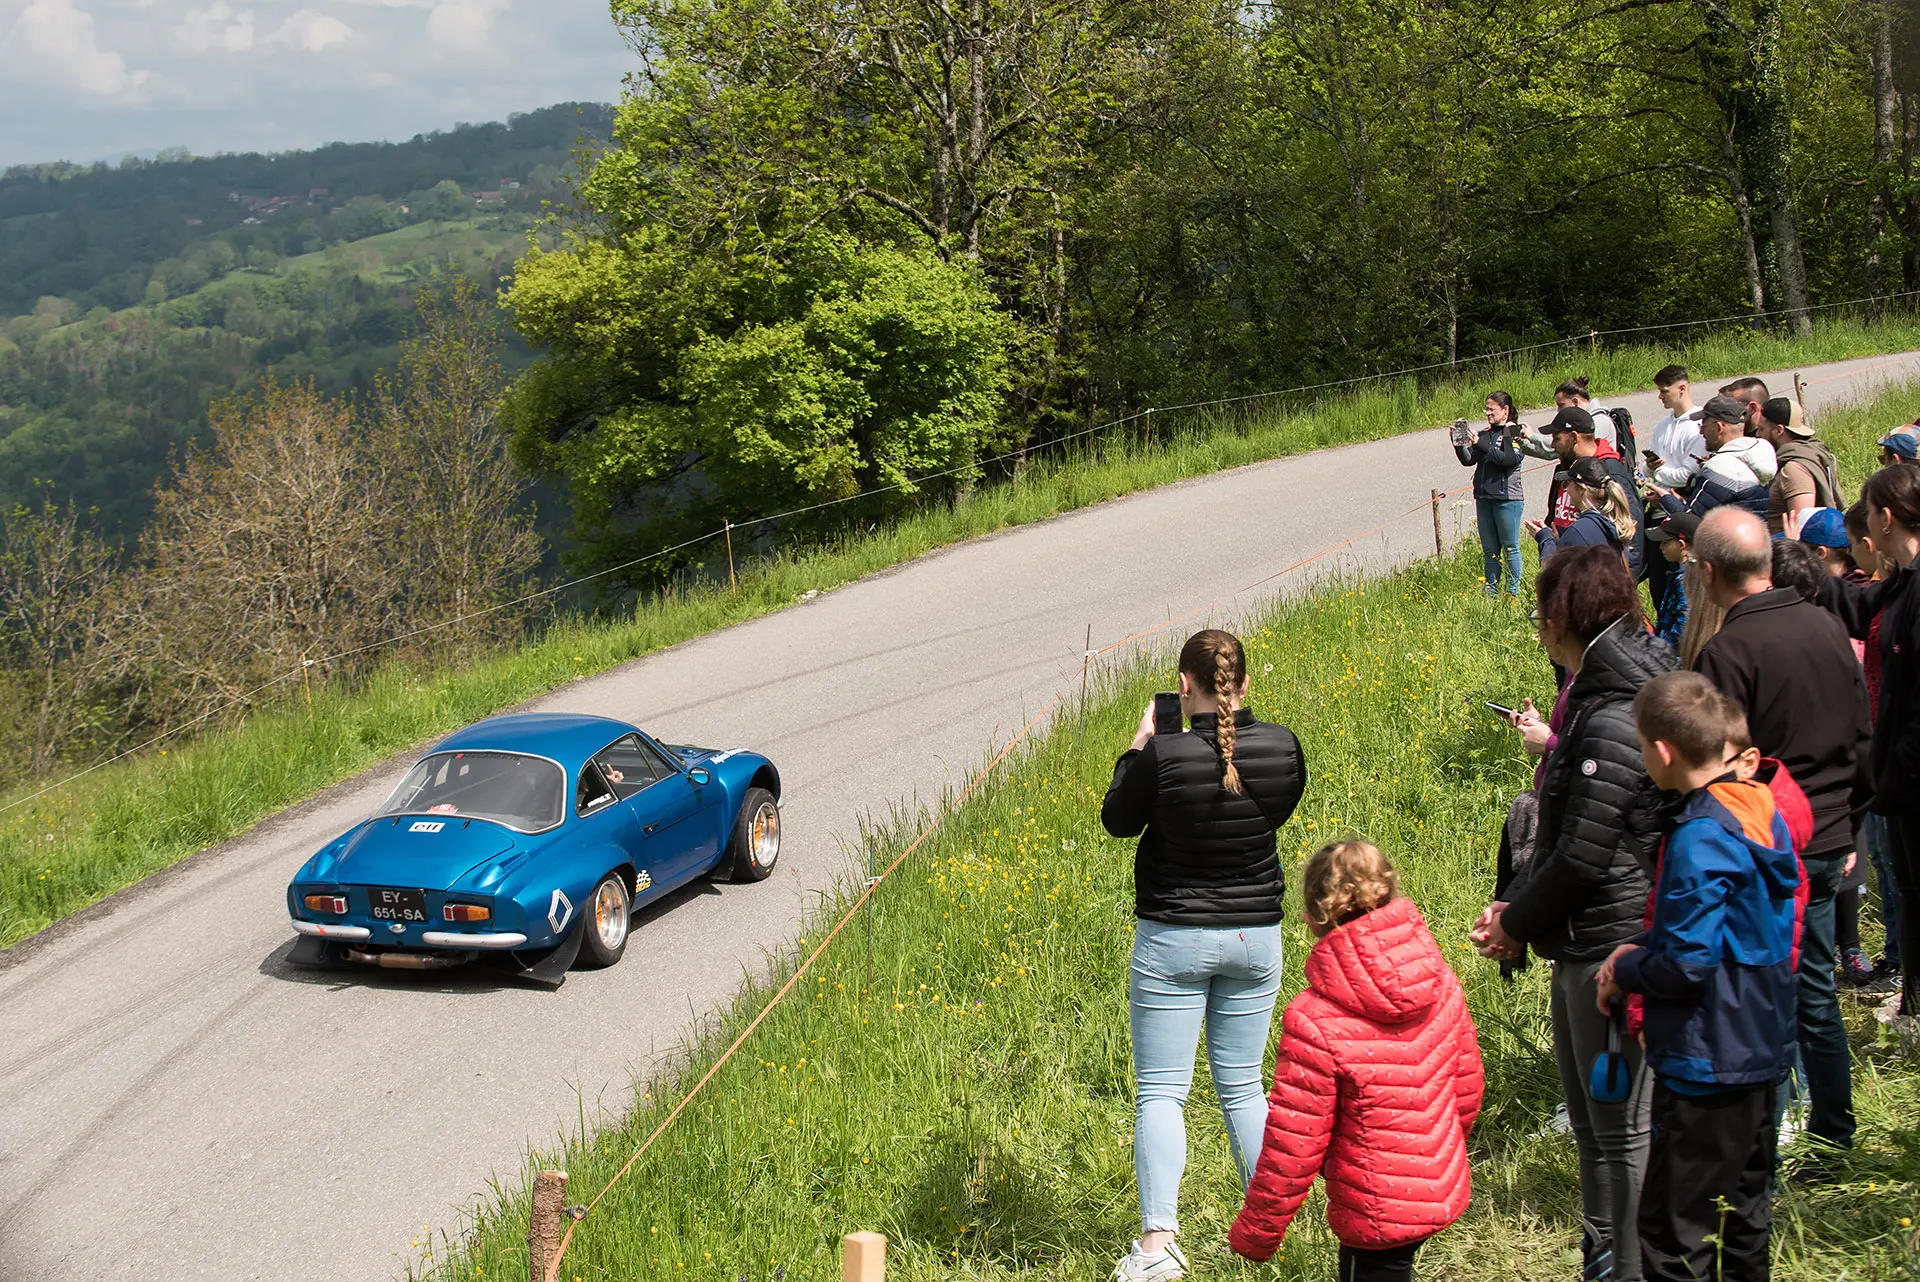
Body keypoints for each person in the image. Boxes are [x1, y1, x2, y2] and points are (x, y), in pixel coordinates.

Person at [1473, 545, 1671, 1282]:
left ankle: (1631, 1266)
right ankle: (1603, 1256)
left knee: (1620, 1131)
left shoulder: (1614, 712)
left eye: (1540, 613)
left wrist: (1514, 921)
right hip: (1579, 942)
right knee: (1591, 1126)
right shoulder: (1596, 691)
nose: (1535, 628)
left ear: (1563, 616)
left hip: (1610, 951)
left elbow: (1585, 854)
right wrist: (1519, 909)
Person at [1101, 629, 1308, 1282]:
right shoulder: (1281, 748)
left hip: (1173, 935)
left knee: (1163, 1092)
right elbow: (1275, 810)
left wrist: (1138, 746)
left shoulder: (1162, 755)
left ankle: (1158, 1247)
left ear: (1182, 687)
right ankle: (1269, 1227)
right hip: (1255, 937)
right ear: (1244, 685)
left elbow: (1117, 820)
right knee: (1244, 1085)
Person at [1597, 672, 1799, 1282]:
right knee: (1745, 1216)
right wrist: (1647, 944)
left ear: (1663, 751)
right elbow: (1728, 930)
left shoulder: (1698, 836)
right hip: (1761, 1042)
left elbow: (1687, 965)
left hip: (1707, 1056)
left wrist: (1627, 966)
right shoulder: (1758, 810)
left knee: (1671, 1233)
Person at [1690, 507, 1865, 1157]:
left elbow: (1716, 770)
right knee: (1814, 991)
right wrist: (1846, 823)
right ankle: (1833, 1131)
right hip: (1827, 838)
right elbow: (1863, 734)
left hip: (1764, 845)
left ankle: (1773, 1131)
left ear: (1708, 573)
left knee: (1760, 994)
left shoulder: (1726, 653)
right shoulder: (1827, 624)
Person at [1228, 840, 1483, 1281]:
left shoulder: (1314, 1019)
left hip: (1375, 1202)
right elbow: (1467, 1082)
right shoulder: (1438, 975)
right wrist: (1440, 1152)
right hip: (1437, 1178)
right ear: (1390, 895)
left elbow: (1295, 1143)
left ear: (1311, 919)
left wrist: (1259, 1230)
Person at [1815, 467, 1920, 1043]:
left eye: (1866, 507)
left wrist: (1893, 771)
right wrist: (1803, 570)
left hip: (1908, 775)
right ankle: (1912, 1006)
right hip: (1896, 775)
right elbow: (1860, 607)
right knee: (1906, 887)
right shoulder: (1902, 580)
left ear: (1883, 516)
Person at [1842, 500, 1902, 987]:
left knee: (1893, 861)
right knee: (1884, 858)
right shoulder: (1887, 591)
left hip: (1894, 746)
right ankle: (1898, 952)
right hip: (1880, 740)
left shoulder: (1897, 594)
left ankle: (1903, 962)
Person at [1650, 395, 1775, 520]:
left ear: (1718, 427)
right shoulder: (1760, 452)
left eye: (1703, 426)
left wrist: (1664, 499)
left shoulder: (1721, 466)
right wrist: (1683, 500)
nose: (1701, 432)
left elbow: (1692, 521)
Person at [1454, 391, 1527, 597]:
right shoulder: (1484, 434)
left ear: (1505, 411)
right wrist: (1458, 444)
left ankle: (1512, 593)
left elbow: (1508, 459)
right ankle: (1491, 591)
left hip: (1507, 499)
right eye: (1486, 409)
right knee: (1489, 551)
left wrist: (1479, 443)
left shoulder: (1514, 432)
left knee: (1510, 547)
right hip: (1484, 498)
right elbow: (1469, 460)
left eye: (1491, 409)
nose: (1487, 413)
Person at [1528, 457, 1637, 565]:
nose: (1566, 490)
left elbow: (1552, 574)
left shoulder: (1579, 531)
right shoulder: (1612, 520)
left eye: (1567, 484)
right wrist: (1560, 542)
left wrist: (1546, 540)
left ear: (1581, 489)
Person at [1756, 397, 1841, 534]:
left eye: (1761, 429)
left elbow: (1800, 527)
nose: (1758, 434)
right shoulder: (1806, 453)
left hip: (1785, 549)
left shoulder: (1794, 469)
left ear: (1778, 430)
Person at [1644, 365, 1706, 490]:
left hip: (1683, 499)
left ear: (1682, 388)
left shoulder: (1700, 426)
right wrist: (1649, 467)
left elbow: (1690, 477)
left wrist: (1657, 472)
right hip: (1658, 498)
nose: (1660, 396)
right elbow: (1647, 470)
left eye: (1664, 391)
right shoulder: (1662, 426)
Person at [1647, 513, 1699, 649]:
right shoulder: (1685, 574)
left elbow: (1684, 624)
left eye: (1665, 542)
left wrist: (1660, 650)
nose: (1660, 547)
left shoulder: (1687, 580)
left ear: (1681, 545)